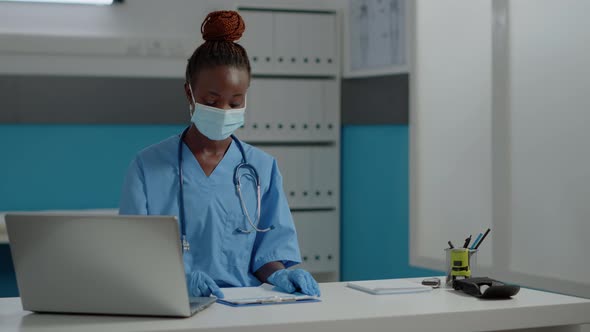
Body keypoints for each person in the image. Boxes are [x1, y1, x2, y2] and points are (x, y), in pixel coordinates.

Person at [119, 10, 320, 299]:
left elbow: (267, 252)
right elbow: (132, 256)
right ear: (190, 94)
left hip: (243, 307)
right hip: (172, 303)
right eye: (212, 101)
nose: (224, 111)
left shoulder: (262, 168)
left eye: (235, 102)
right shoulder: (147, 168)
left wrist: (279, 274)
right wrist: (179, 280)